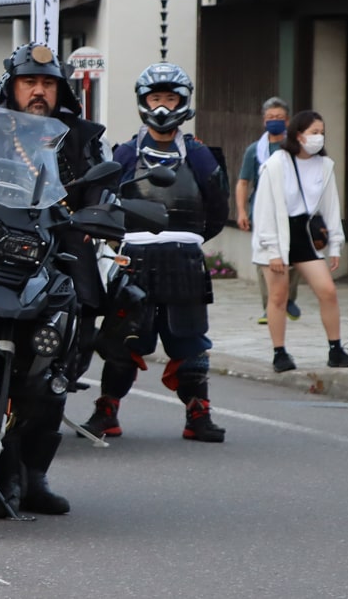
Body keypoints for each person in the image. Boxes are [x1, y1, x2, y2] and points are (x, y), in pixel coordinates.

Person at [0, 44, 111, 518]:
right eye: (30, 82)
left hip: (58, 256)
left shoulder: (82, 136)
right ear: (13, 87)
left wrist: (106, 210)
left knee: (52, 376)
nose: (39, 91)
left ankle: (34, 477)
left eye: (48, 83)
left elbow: (102, 188)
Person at [84, 64, 229, 447]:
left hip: (184, 260)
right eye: (155, 98)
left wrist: (187, 239)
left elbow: (217, 209)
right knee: (123, 340)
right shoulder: (126, 153)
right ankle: (107, 410)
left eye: (170, 99)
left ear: (182, 103)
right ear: (143, 103)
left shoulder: (200, 155)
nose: (163, 106)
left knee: (191, 340)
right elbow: (108, 203)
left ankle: (198, 413)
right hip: (135, 260)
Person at [252, 111, 348, 372]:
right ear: (298, 135)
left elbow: (331, 206)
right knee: (278, 296)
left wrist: (336, 244)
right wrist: (273, 250)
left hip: (304, 233)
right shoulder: (277, 163)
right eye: (313, 132)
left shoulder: (324, 165)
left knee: (327, 291)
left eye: (322, 132)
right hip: (276, 234)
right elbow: (263, 209)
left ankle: (336, 349)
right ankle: (279, 352)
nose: (318, 137)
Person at [235, 97, 303, 325]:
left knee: (294, 257)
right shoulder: (255, 150)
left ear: (288, 120)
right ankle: (269, 306)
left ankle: (289, 299)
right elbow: (244, 182)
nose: (274, 121)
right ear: (264, 121)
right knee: (264, 259)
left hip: (292, 211)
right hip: (263, 213)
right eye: (270, 118)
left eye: (279, 118)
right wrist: (242, 211)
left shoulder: (296, 148)